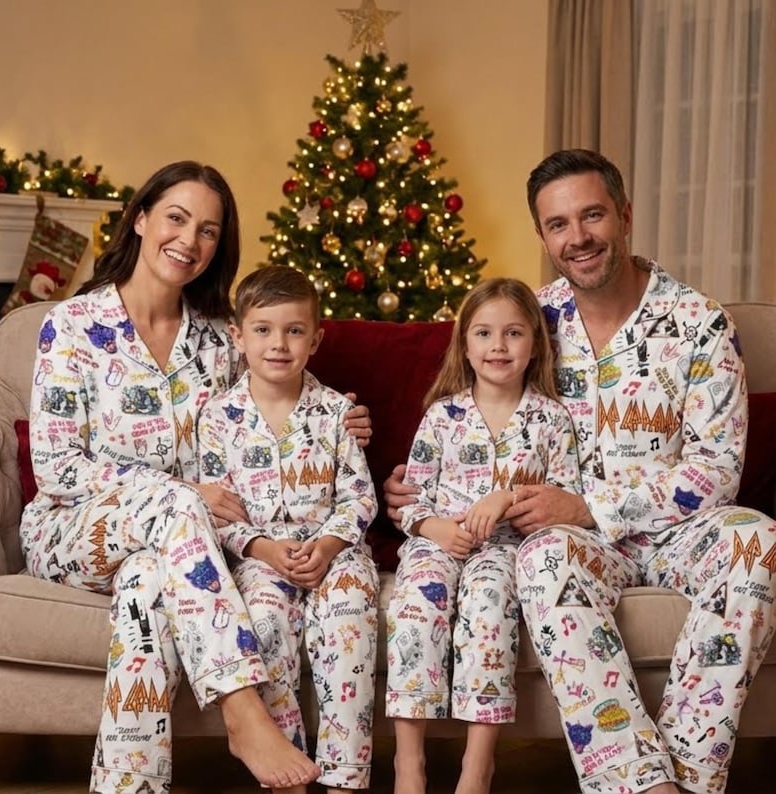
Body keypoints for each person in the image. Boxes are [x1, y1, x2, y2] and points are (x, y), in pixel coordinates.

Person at [384, 149, 776, 794]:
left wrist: (593, 506)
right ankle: (637, 781)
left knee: (757, 539)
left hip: (681, 532)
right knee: (541, 558)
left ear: (624, 216)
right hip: (573, 544)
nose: (578, 237)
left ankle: (683, 778)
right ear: (543, 237)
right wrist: (415, 487)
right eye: (558, 224)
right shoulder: (529, 320)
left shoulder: (699, 324)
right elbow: (464, 406)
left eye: (592, 215)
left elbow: (717, 470)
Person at [19, 161, 372, 794]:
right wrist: (178, 493)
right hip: (75, 530)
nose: (189, 240)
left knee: (146, 587)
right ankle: (242, 710)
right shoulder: (71, 327)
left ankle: (128, 787)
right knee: (177, 509)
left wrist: (340, 418)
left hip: (180, 550)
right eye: (176, 218)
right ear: (140, 219)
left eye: (208, 230)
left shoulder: (217, 340)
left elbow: (271, 399)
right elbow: (57, 467)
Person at [386, 277, 581, 794]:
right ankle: (409, 764)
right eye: (484, 333)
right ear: (465, 345)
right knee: (415, 605)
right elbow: (411, 502)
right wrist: (436, 528)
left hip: (508, 550)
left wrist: (508, 498)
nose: (498, 346)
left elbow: (564, 498)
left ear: (535, 343)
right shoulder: (442, 416)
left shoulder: (552, 420)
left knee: (489, 604)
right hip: (437, 542)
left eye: (513, 333)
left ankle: (478, 765)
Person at [196, 265, 380, 794]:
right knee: (262, 622)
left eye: (294, 331)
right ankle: (286, 774)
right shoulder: (218, 418)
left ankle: (345, 777)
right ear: (238, 337)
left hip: (335, 551)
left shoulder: (336, 412)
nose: (278, 344)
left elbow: (359, 497)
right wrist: (264, 549)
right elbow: (218, 513)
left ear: (315, 340)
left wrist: (328, 545)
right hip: (260, 557)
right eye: (263, 329)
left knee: (350, 617)